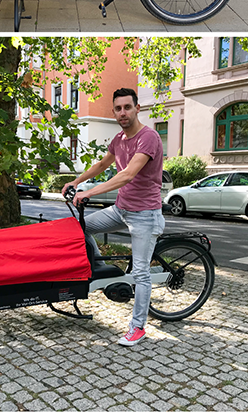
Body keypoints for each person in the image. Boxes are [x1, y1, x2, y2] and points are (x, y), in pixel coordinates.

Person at [62, 87, 165, 346]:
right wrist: (75, 181)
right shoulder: (119, 140)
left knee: (140, 273)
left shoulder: (148, 137)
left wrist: (90, 192)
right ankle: (102, 269)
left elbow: (128, 174)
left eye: (127, 107)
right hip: (122, 209)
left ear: (137, 108)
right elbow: (102, 165)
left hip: (145, 214)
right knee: (79, 228)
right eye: (118, 108)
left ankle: (138, 327)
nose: (123, 112)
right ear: (114, 111)